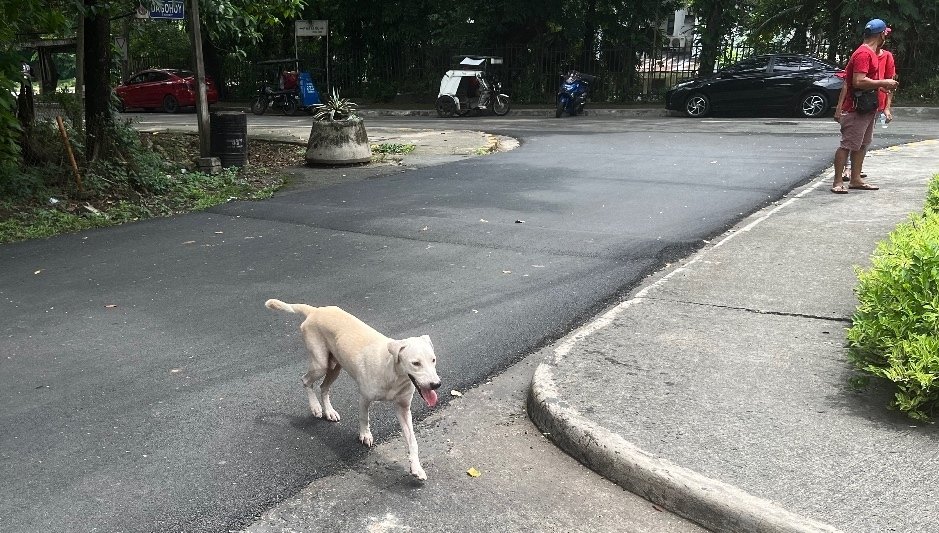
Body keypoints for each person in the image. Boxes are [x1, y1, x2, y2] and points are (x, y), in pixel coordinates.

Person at [830, 18, 899, 194]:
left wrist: (880, 86)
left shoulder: (872, 53)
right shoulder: (863, 54)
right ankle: (838, 181)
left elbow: (865, 81)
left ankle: (855, 179)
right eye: (885, 33)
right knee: (847, 145)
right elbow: (858, 81)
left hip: (867, 107)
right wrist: (883, 82)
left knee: (862, 144)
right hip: (855, 108)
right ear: (882, 34)